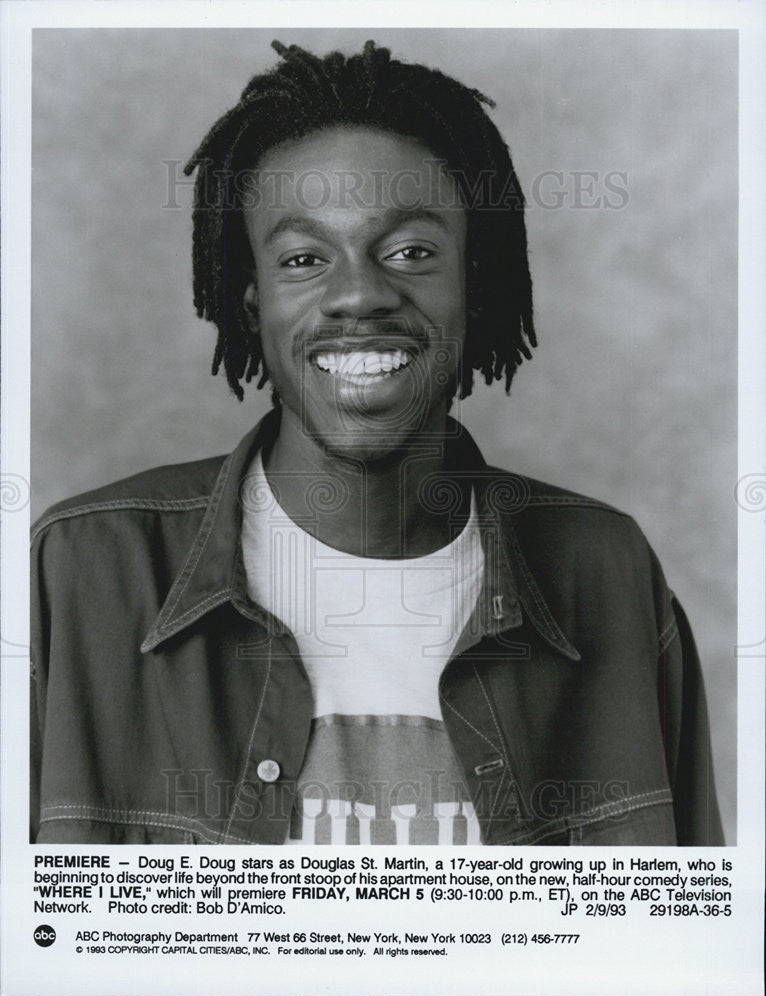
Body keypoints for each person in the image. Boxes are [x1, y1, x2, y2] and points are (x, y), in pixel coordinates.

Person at [30, 40, 723, 846]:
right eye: (304, 257)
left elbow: (678, 953)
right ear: (251, 302)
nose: (359, 292)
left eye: (411, 252)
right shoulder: (81, 576)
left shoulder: (607, 575)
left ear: (477, 280)